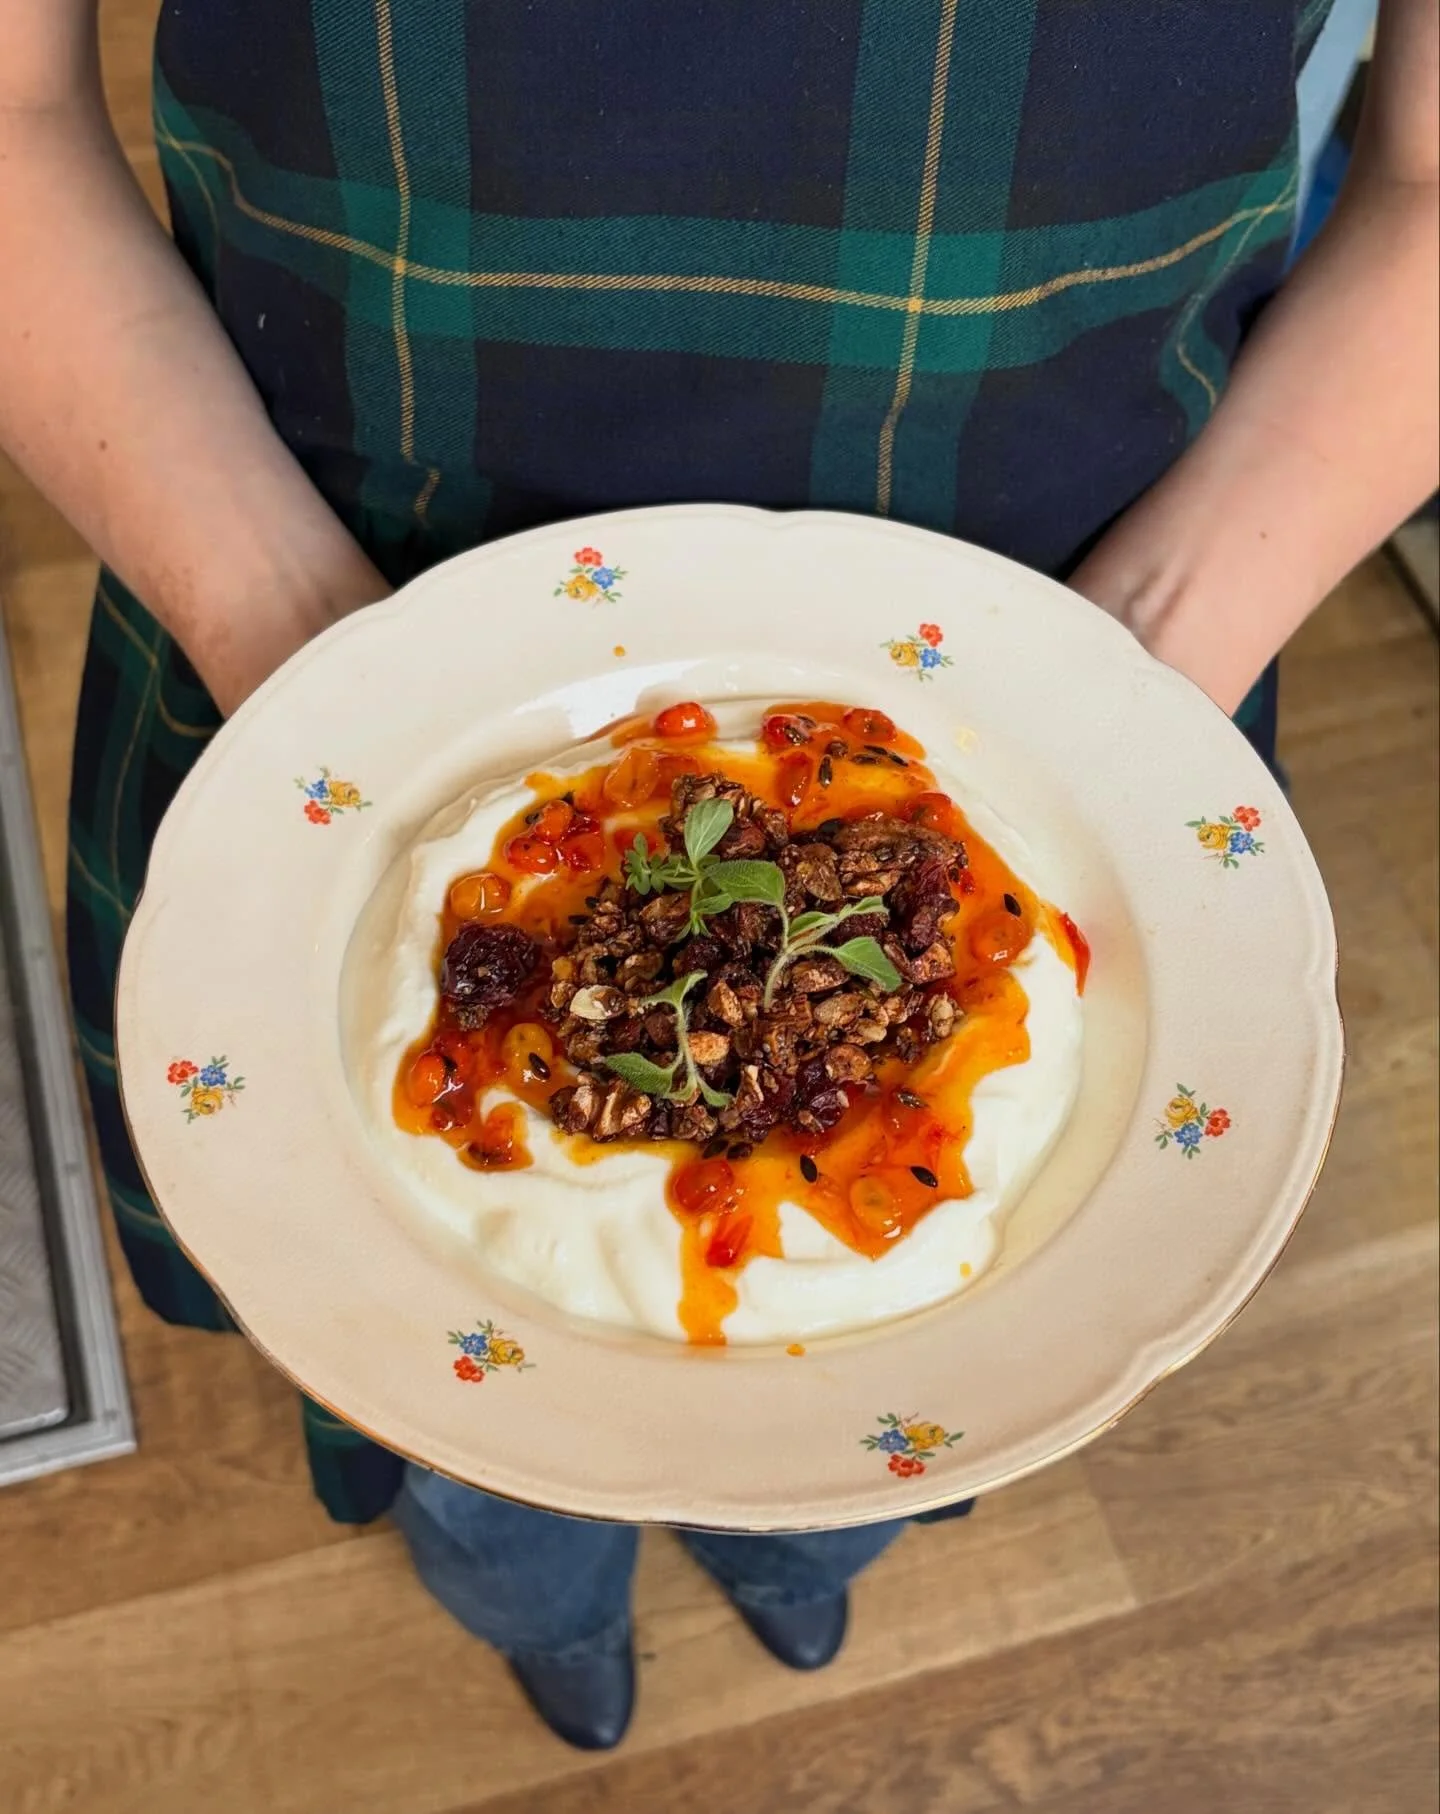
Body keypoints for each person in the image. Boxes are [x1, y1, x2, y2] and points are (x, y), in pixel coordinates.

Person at [2, 0, 1435, 1753]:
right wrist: (336, 694)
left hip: (1096, 682)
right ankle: (529, 1601)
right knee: (470, 1428)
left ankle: (811, 1550)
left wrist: (1121, 689)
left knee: (900, 1387)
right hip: (309, 640)